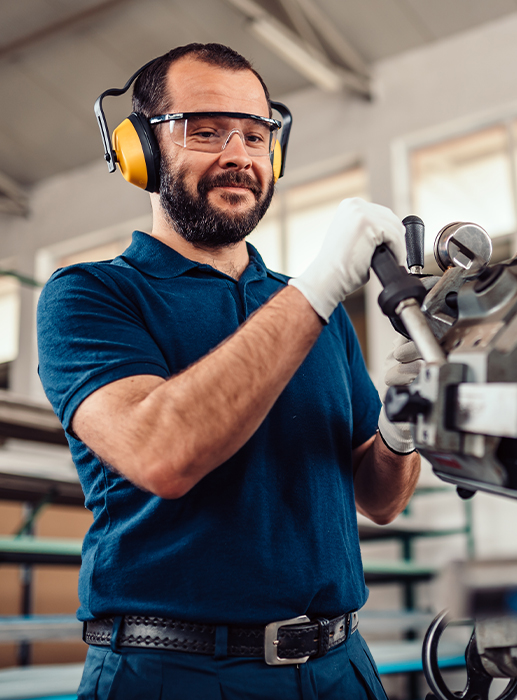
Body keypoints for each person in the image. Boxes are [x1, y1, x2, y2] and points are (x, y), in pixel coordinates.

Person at [36, 43, 421, 699]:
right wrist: (323, 284)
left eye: (255, 133)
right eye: (205, 131)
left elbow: (381, 498)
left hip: (342, 667)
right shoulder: (90, 296)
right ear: (139, 150)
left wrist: (408, 424)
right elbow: (163, 453)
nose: (239, 154)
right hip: (173, 675)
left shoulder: (313, 312)